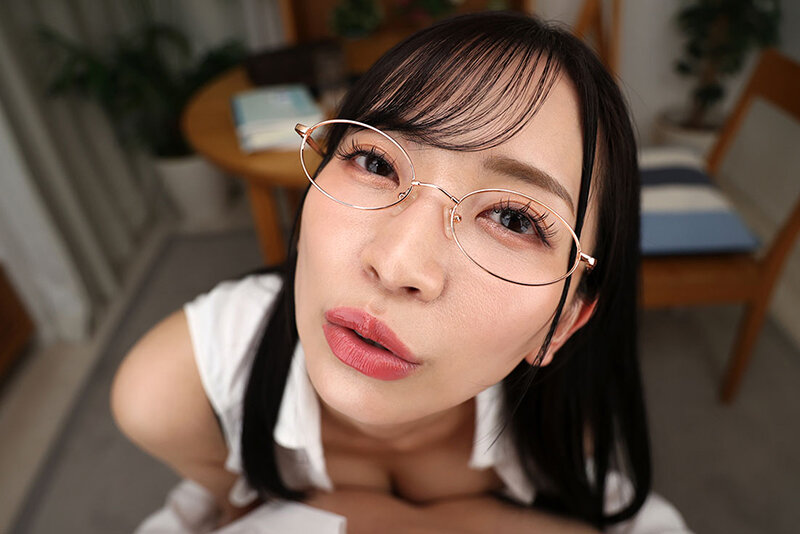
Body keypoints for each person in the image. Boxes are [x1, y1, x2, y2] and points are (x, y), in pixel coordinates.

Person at [111, 11, 689, 533]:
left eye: (513, 220)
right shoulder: (169, 398)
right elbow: (245, 513)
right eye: (375, 161)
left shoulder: (569, 414)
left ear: (561, 324)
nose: (395, 265)